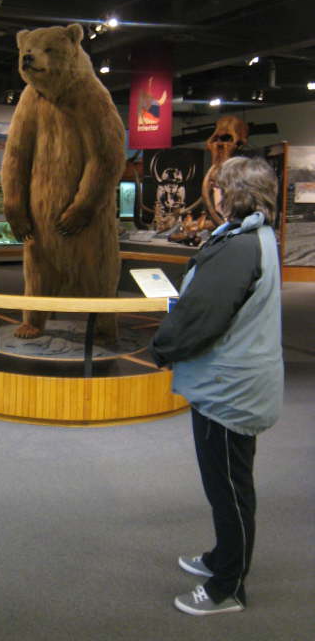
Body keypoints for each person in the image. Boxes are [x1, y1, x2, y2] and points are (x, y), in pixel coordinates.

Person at [149, 155, 283, 616]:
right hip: (231, 382)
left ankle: (228, 587)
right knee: (226, 484)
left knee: (229, 490)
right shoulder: (251, 237)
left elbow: (202, 316)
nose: (215, 195)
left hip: (229, 390)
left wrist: (162, 348)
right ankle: (223, 557)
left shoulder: (240, 247)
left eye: (220, 187)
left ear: (235, 193)